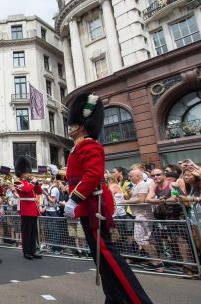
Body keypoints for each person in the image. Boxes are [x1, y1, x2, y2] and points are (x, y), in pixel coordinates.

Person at [64, 92, 152, 303]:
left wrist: (74, 199)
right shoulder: (78, 146)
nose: (70, 127)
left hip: (92, 206)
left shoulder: (88, 145)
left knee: (106, 254)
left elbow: (92, 175)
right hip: (87, 206)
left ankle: (136, 299)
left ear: (82, 124)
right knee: (101, 258)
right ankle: (114, 298)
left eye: (74, 123)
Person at [13, 156, 42, 260]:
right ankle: (26, 252)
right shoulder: (18, 183)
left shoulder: (30, 183)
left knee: (33, 233)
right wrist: (33, 182)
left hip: (33, 209)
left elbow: (39, 192)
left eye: (29, 172)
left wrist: (37, 183)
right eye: (26, 172)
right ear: (21, 173)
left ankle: (33, 251)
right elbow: (26, 190)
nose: (29, 174)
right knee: (26, 232)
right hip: (26, 209)